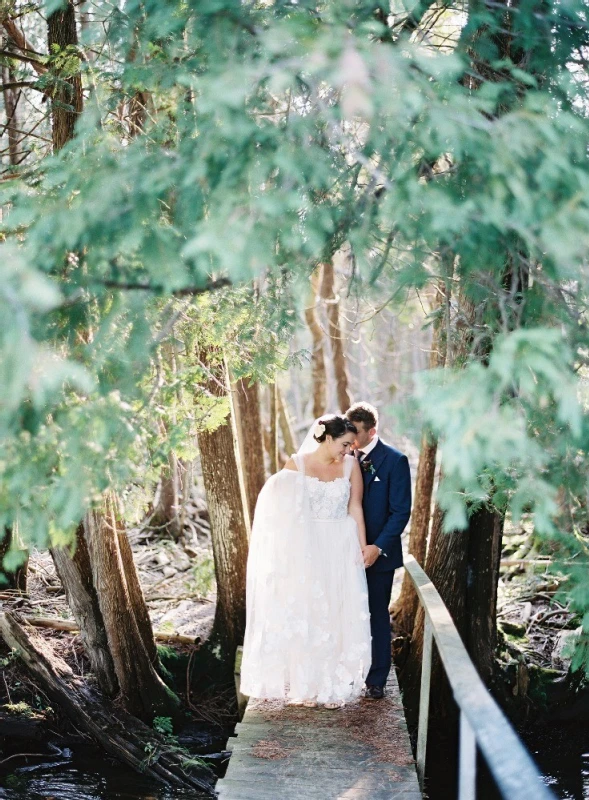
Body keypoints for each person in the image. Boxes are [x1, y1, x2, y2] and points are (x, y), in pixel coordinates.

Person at [240, 414, 371, 709]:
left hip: (341, 544)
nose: (348, 450)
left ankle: (334, 686)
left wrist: (362, 548)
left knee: (338, 611)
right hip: (307, 548)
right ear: (326, 437)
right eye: (345, 444)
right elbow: (281, 513)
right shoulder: (296, 465)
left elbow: (355, 508)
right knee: (309, 613)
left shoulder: (350, 466)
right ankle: (307, 686)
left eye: (351, 445)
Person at [346, 401, 412, 699]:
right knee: (346, 612)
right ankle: (347, 671)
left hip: (379, 557)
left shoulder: (395, 461)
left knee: (376, 615)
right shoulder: (342, 456)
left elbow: (400, 512)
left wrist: (377, 548)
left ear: (372, 431)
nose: (352, 439)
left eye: (357, 434)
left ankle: (376, 679)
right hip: (343, 551)